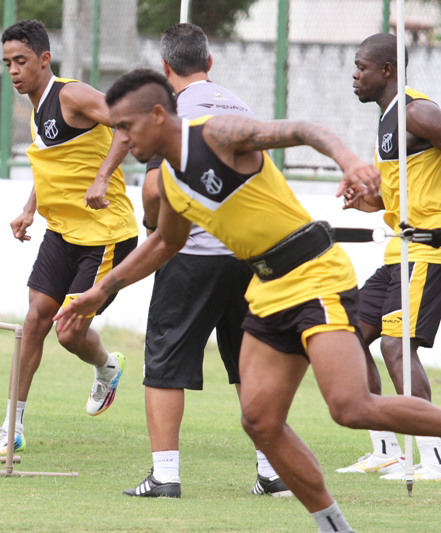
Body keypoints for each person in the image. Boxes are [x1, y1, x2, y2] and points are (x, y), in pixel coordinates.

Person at [56, 69, 441, 529]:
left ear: (158, 115)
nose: (118, 139)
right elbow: (163, 245)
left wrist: (349, 161)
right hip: (267, 288)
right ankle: (334, 527)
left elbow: (305, 129)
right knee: (259, 421)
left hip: (315, 274)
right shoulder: (169, 183)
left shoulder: (215, 134)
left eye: (124, 127)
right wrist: (98, 292)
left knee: (350, 407)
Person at [123, 23, 289, 499]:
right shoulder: (242, 106)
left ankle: (165, 476)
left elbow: (155, 187)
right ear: (210, 63)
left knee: (165, 361)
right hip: (247, 255)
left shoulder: (170, 111)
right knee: (248, 363)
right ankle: (270, 471)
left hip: (191, 252)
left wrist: (153, 222)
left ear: (165, 68)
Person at [337, 32, 441, 482]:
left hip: (432, 247)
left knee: (396, 345)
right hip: (399, 248)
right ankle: (386, 450)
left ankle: (436, 461)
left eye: (361, 66)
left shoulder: (416, 111)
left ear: (386, 70)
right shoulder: (387, 120)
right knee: (349, 336)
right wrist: (366, 202)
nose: (355, 74)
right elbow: (400, 194)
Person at [0, 20, 139, 455]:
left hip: (106, 234)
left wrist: (103, 176)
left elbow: (126, 123)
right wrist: (30, 207)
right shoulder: (35, 108)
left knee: (68, 332)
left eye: (20, 61)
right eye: (7, 64)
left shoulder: (70, 95)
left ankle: (108, 368)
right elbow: (54, 163)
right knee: (35, 318)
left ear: (44, 59)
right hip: (62, 231)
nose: (13, 70)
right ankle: (11, 427)